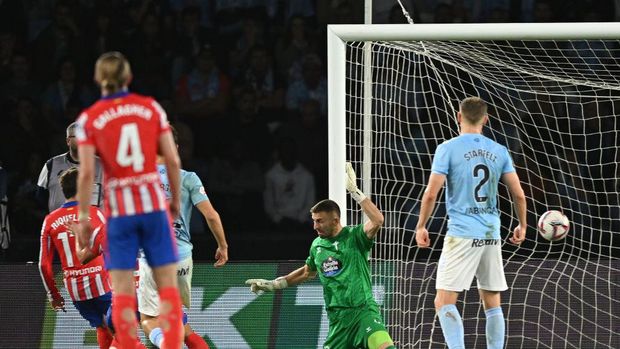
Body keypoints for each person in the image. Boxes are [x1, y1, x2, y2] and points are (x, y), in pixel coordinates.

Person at [73, 51, 184, 349]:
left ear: (98, 79)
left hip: (119, 212)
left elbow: (85, 174)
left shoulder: (89, 119)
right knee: (167, 289)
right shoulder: (151, 109)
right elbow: (172, 160)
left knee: (122, 292)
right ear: (128, 77)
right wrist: (174, 202)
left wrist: (84, 218)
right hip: (152, 207)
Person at [415, 97, 527, 349]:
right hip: (491, 232)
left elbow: (431, 193)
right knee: (492, 300)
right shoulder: (499, 151)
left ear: (458, 116)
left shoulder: (447, 148)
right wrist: (522, 225)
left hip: (462, 233)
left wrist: (421, 225)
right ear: (485, 120)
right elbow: (518, 194)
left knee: (443, 301)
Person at [246, 162, 396, 349]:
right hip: (338, 321)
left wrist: (355, 192)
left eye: (320, 221)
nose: (315, 226)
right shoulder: (317, 245)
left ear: (335, 220)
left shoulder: (355, 236)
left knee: (384, 346)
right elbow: (307, 272)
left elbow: (378, 220)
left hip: (363, 312)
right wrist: (275, 284)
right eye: (314, 221)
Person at [139, 126, 228, 349]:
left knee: (149, 319)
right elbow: (211, 215)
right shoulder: (189, 178)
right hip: (181, 257)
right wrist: (222, 245)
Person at [38, 167, 114, 349]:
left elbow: (43, 265)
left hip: (76, 289)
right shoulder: (95, 213)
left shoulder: (50, 220)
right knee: (123, 329)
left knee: (102, 327)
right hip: (102, 284)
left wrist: (53, 294)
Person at [37, 122, 103, 212]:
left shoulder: (102, 166)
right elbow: (40, 196)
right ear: (68, 141)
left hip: (94, 224)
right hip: (60, 223)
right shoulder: (51, 165)